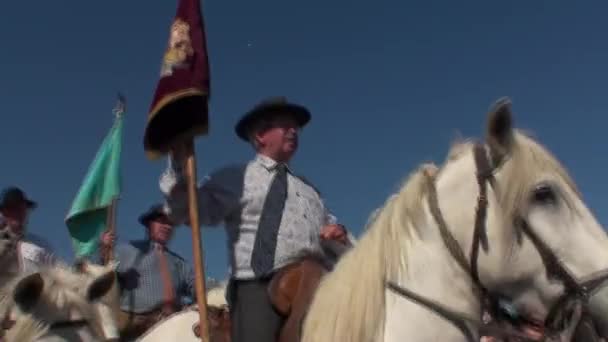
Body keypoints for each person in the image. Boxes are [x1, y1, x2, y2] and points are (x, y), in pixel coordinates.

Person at [159, 96, 355, 342]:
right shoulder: (236, 177)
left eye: (296, 126)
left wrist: (339, 233)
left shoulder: (310, 191)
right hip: (258, 284)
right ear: (261, 135)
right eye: (285, 125)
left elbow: (337, 238)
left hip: (315, 280)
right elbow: (186, 210)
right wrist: (179, 162)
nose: (293, 130)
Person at [100, 204, 195, 341]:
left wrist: (213, 293)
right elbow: (103, 275)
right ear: (149, 224)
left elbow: (197, 286)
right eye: (161, 222)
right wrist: (105, 251)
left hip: (172, 323)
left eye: (170, 224)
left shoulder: (179, 263)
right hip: (134, 325)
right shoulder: (127, 251)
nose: (167, 227)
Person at [0, 186, 57, 274]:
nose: (18, 212)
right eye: (12, 208)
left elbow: (56, 271)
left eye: (21, 208)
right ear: (2, 213)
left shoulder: (41, 244)